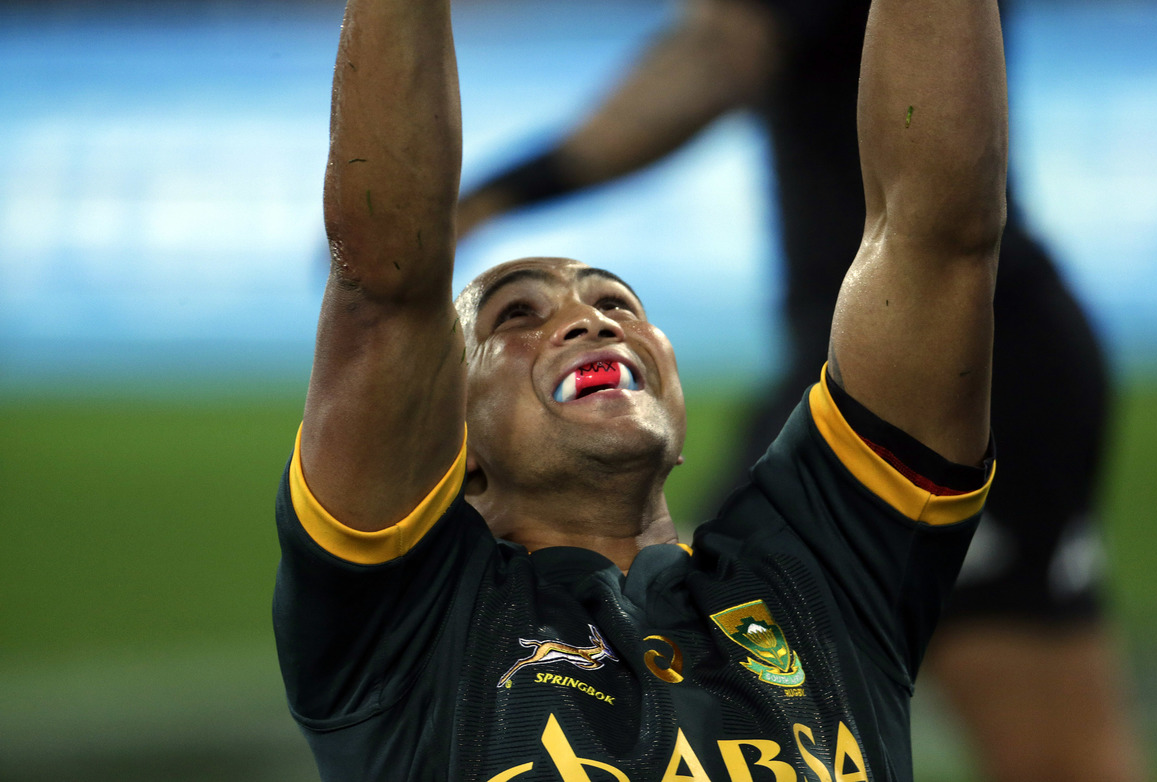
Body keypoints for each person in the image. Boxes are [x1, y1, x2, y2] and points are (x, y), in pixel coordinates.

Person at [272, 0, 1007, 778]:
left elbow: (938, 237)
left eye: (618, 304)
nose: (591, 321)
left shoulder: (821, 574)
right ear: (455, 446)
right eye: (516, 315)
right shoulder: (408, 629)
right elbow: (386, 285)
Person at [454, 1, 1148, 780]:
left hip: (949, 357)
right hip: (870, 350)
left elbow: (716, 56)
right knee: (693, 622)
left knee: (1056, 756)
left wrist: (494, 196)